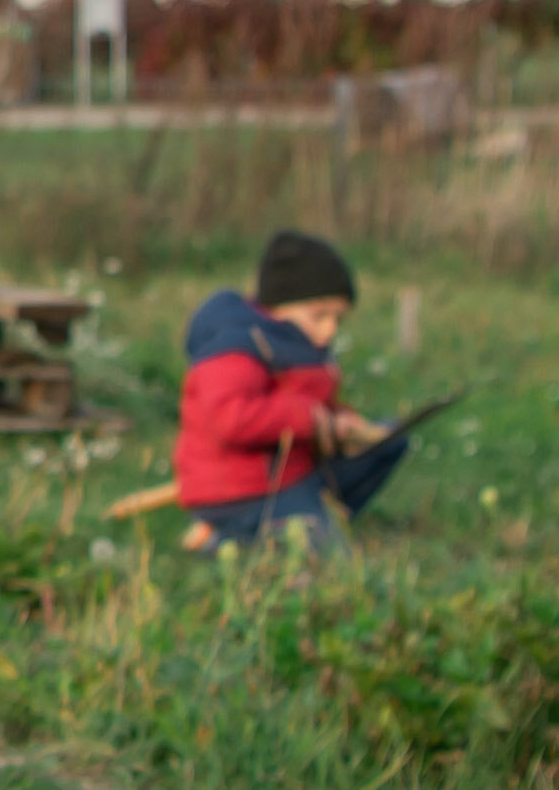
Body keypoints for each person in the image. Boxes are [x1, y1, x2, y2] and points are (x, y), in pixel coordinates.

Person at [175, 229, 412, 556]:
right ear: (278, 308)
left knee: (389, 440)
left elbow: (315, 405)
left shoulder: (301, 345)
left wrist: (343, 423)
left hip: (296, 472)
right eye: (320, 316)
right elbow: (231, 419)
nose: (329, 329)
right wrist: (309, 418)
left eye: (338, 320)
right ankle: (238, 535)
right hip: (244, 488)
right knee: (333, 562)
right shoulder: (237, 346)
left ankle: (310, 522)